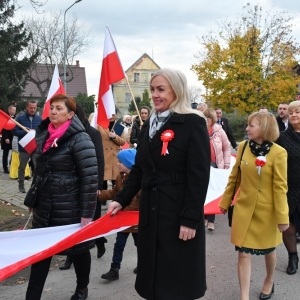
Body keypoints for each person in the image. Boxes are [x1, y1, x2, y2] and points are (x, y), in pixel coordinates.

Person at [107, 68, 211, 300]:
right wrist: (121, 200)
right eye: (152, 89)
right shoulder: (148, 126)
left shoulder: (193, 123)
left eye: (161, 89)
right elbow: (140, 169)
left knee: (175, 283)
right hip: (151, 210)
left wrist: (190, 219)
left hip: (177, 213)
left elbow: (199, 176)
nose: (155, 95)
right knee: (153, 280)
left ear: (177, 90)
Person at [25, 94, 98, 300]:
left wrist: (87, 212)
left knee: (79, 251)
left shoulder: (81, 139)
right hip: (44, 207)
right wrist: (33, 198)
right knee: (40, 255)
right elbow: (39, 171)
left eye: (59, 109)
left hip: (70, 208)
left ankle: (82, 288)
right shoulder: (44, 135)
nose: (54, 112)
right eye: (52, 108)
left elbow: (90, 178)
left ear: (71, 114)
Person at [219, 111, 289, 300]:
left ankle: (269, 280)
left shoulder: (279, 153)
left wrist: (283, 217)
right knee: (243, 253)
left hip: (268, 212)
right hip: (244, 209)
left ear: (264, 128)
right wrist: (225, 202)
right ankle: (244, 296)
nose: (247, 128)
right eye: (248, 125)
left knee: (269, 250)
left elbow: (281, 187)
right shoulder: (242, 147)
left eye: (252, 125)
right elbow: (235, 178)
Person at [59, 104, 105, 270]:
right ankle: (70, 257)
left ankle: (100, 241)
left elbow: (99, 160)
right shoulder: (65, 134)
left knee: (93, 222)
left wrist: (98, 185)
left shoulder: (92, 134)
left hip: (90, 185)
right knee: (73, 225)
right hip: (72, 189)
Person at [100, 148, 139, 281]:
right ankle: (114, 269)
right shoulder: (119, 177)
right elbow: (115, 193)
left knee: (140, 244)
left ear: (128, 163)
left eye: (120, 162)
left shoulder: (140, 181)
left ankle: (143, 265)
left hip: (135, 220)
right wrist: (100, 194)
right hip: (122, 218)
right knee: (119, 245)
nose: (117, 164)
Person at [276, 100, 300, 275]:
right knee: (289, 226)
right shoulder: (282, 137)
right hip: (289, 189)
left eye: (297, 112)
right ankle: (293, 256)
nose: (293, 115)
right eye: (291, 112)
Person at [203, 108, 231, 231]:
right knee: (202, 190)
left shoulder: (219, 131)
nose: (207, 120)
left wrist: (226, 162)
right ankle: (203, 215)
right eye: (205, 117)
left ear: (213, 119)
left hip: (215, 164)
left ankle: (211, 221)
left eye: (209, 118)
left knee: (212, 190)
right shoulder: (199, 130)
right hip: (202, 164)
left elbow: (226, 147)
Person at [13, 100, 42, 193]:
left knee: (37, 166)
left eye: (34, 108)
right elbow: (14, 131)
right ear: (27, 107)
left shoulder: (39, 118)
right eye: (31, 108)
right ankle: (21, 186)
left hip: (35, 147)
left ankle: (36, 186)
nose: (33, 110)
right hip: (24, 147)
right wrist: (25, 132)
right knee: (22, 167)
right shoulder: (20, 118)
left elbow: (42, 131)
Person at [97, 113, 125, 204]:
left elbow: (123, 141)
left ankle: (117, 200)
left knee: (116, 180)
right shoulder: (100, 125)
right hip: (105, 155)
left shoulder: (119, 126)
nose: (112, 116)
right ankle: (102, 200)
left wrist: (114, 137)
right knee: (103, 179)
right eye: (110, 114)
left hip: (115, 157)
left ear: (116, 115)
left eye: (113, 114)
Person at [1, 105, 16, 173]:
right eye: (13, 110)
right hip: (6, 138)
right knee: (5, 153)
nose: (14, 112)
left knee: (14, 153)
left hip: (13, 138)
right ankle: (5, 168)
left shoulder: (15, 118)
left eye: (15, 110)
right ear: (9, 110)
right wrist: (6, 138)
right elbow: (4, 129)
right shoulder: (5, 117)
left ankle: (11, 166)